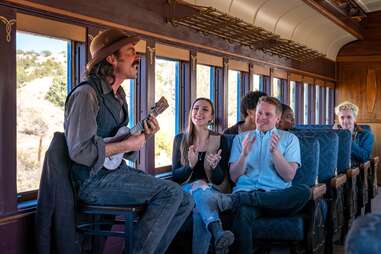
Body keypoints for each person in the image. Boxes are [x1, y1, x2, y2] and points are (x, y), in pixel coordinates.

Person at [64, 29, 193, 254]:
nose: (138, 57)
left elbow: (120, 152)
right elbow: (80, 152)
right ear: (112, 59)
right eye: (131, 52)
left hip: (115, 173)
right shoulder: (86, 94)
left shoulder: (119, 96)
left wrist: (143, 137)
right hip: (91, 181)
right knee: (170, 193)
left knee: (185, 199)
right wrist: (126, 145)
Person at [224, 96, 311, 254]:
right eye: (259, 113)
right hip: (247, 194)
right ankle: (245, 199)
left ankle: (242, 199)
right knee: (243, 211)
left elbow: (289, 176)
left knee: (304, 191)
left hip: (277, 199)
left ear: (277, 118)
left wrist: (276, 153)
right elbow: (234, 177)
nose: (262, 117)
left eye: (268, 114)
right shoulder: (240, 139)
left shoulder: (290, 139)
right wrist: (244, 154)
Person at [172, 98, 234, 254]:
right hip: (186, 190)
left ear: (211, 117)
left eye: (205, 109)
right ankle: (217, 231)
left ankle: (214, 233)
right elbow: (176, 177)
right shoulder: (180, 139)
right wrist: (190, 166)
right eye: (195, 108)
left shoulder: (221, 140)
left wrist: (214, 167)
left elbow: (220, 179)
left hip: (213, 189)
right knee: (200, 186)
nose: (199, 112)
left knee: (200, 210)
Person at [334, 101, 374, 165]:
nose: (345, 121)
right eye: (342, 117)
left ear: (355, 119)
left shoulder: (366, 135)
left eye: (349, 117)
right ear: (338, 119)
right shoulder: (333, 135)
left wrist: (347, 140)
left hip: (355, 171)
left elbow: (365, 157)